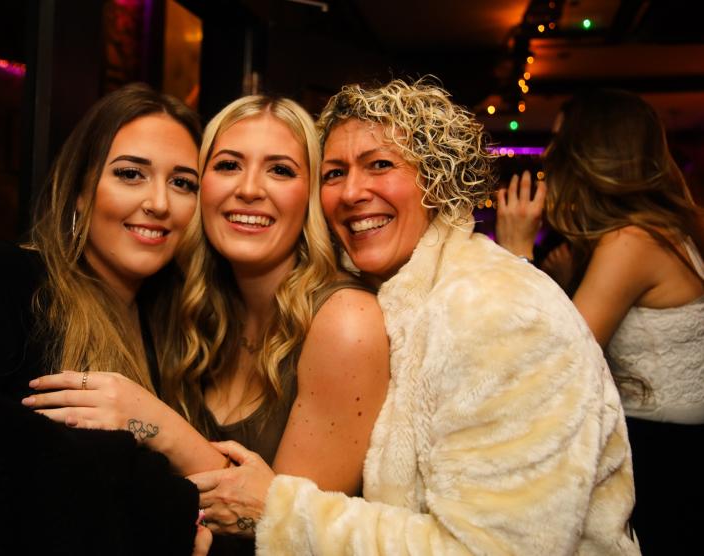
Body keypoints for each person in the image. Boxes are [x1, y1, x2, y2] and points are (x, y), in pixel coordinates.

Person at [188, 78, 640, 555]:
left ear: (438, 180)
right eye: (335, 173)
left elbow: (495, 549)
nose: (352, 192)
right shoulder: (385, 293)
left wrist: (280, 512)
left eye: (380, 164)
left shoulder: (499, 311)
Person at [26, 95, 390, 554]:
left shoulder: (345, 321)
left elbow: (293, 539)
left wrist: (158, 424)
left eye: (280, 170)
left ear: (312, 196)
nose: (249, 189)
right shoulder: (190, 307)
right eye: (228, 165)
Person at [0, 82, 210, 555]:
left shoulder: (174, 328)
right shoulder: (4, 283)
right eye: (131, 174)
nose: (159, 203)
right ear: (80, 190)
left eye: (183, 183)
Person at [497, 88, 704, 554]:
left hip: (659, 451)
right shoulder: (661, 227)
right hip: (675, 443)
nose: (548, 154)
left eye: (558, 140)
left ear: (587, 152)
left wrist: (516, 254)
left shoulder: (632, 241)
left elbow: (552, 363)